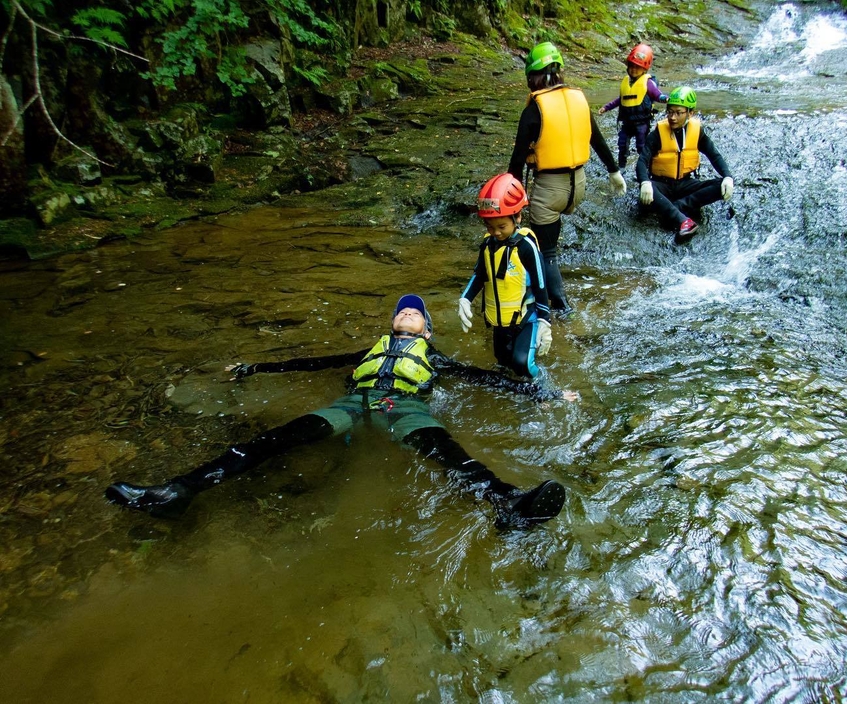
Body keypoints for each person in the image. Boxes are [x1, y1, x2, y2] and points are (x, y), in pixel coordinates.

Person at [105, 295, 575, 530]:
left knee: (449, 454)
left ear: (428, 331)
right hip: (351, 405)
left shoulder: (434, 357)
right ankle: (178, 491)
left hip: (403, 406)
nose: (406, 315)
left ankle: (511, 505)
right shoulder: (371, 349)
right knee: (273, 440)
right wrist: (255, 367)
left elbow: (483, 377)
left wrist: (545, 393)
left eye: (415, 315)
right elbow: (315, 361)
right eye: (401, 313)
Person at [508, 41, 628, 315]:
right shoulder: (579, 99)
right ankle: (541, 292)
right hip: (579, 185)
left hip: (551, 189)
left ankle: (559, 307)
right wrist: (614, 172)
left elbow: (516, 161)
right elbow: (596, 139)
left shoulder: (534, 109)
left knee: (545, 252)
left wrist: (513, 203)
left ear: (532, 76)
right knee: (548, 243)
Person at [457, 173, 551, 379]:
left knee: (522, 364)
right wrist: (465, 298)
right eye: (489, 227)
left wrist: (545, 321)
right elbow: (480, 275)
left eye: (502, 227)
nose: (496, 232)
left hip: (526, 316)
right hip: (500, 321)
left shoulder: (526, 248)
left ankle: (543, 388)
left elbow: (541, 283)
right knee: (503, 363)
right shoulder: (487, 245)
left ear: (517, 218)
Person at [636, 86, 734, 244]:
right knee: (647, 191)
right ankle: (683, 220)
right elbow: (642, 161)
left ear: (690, 113)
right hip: (662, 185)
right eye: (670, 112)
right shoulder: (657, 134)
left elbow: (714, 155)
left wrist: (728, 176)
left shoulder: (697, 132)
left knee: (720, 185)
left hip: (686, 184)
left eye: (678, 113)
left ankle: (676, 207)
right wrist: (645, 182)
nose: (673, 117)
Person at [597, 43, 669, 170]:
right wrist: (606, 107)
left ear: (645, 69)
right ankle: (622, 167)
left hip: (641, 122)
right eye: (631, 66)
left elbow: (657, 95)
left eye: (638, 67)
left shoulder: (648, 83)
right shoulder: (626, 82)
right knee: (622, 144)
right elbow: (621, 100)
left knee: (641, 145)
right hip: (627, 122)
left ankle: (645, 167)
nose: (634, 69)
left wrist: (664, 99)